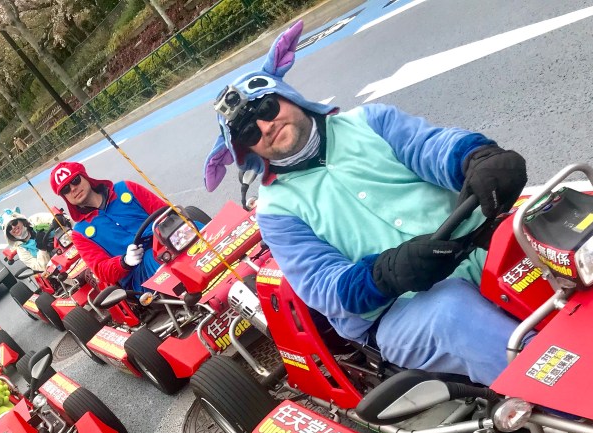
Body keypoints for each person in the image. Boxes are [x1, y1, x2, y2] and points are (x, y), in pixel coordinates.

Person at [202, 21, 528, 386]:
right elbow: (324, 286)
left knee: (554, 228)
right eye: (249, 131)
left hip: (479, 244)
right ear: (246, 148)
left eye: (266, 107)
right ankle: (562, 394)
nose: (265, 126)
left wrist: (478, 158)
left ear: (287, 96)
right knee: (452, 313)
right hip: (401, 309)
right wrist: (384, 274)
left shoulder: (371, 121)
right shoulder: (275, 212)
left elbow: (432, 147)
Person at [50, 160, 168, 291]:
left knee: (186, 232)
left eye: (75, 180)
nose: (73, 188)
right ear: (65, 197)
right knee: (157, 258)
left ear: (85, 176)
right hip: (138, 273)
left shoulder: (126, 188)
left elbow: (165, 212)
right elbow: (101, 269)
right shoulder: (79, 234)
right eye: (66, 189)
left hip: (167, 243)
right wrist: (124, 261)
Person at [0, 207, 59, 273]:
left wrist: (59, 219)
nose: (13, 227)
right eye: (9, 228)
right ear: (9, 233)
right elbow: (41, 267)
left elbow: (56, 218)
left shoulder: (36, 219)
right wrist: (42, 249)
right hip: (55, 267)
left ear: (20, 220)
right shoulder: (22, 251)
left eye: (14, 223)